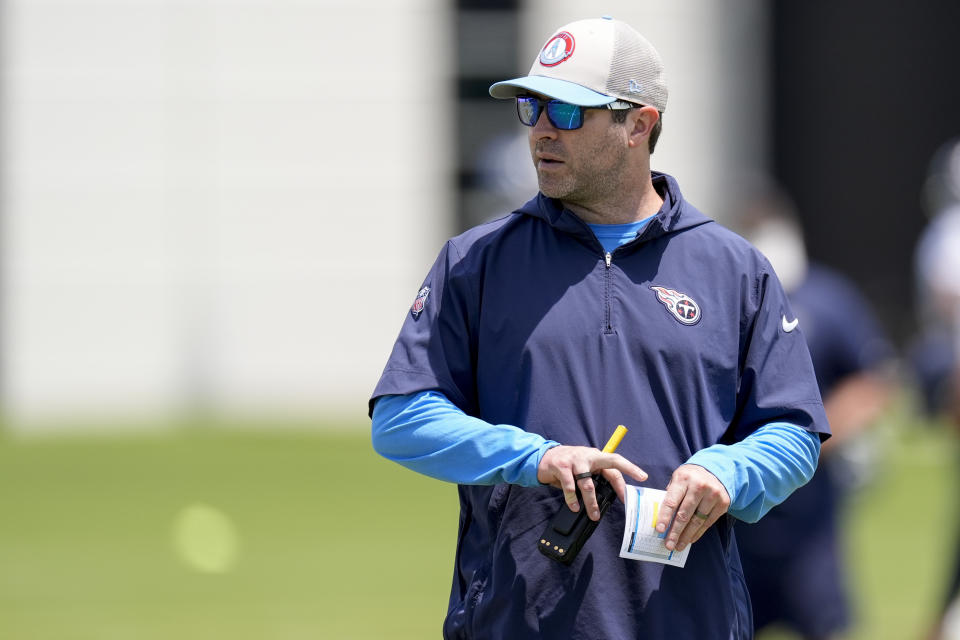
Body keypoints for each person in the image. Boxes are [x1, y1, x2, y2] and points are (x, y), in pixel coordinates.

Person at [369, 16, 830, 640]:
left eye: (567, 113)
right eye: (532, 107)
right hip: (515, 622)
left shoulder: (735, 268)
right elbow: (402, 420)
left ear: (638, 125)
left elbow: (794, 431)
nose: (539, 133)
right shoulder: (475, 261)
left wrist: (727, 473)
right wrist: (535, 458)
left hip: (689, 621)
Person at [730, 181, 895, 640]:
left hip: (810, 514)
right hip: (738, 510)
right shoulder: (725, 298)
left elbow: (875, 379)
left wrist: (814, 434)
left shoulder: (829, 297)